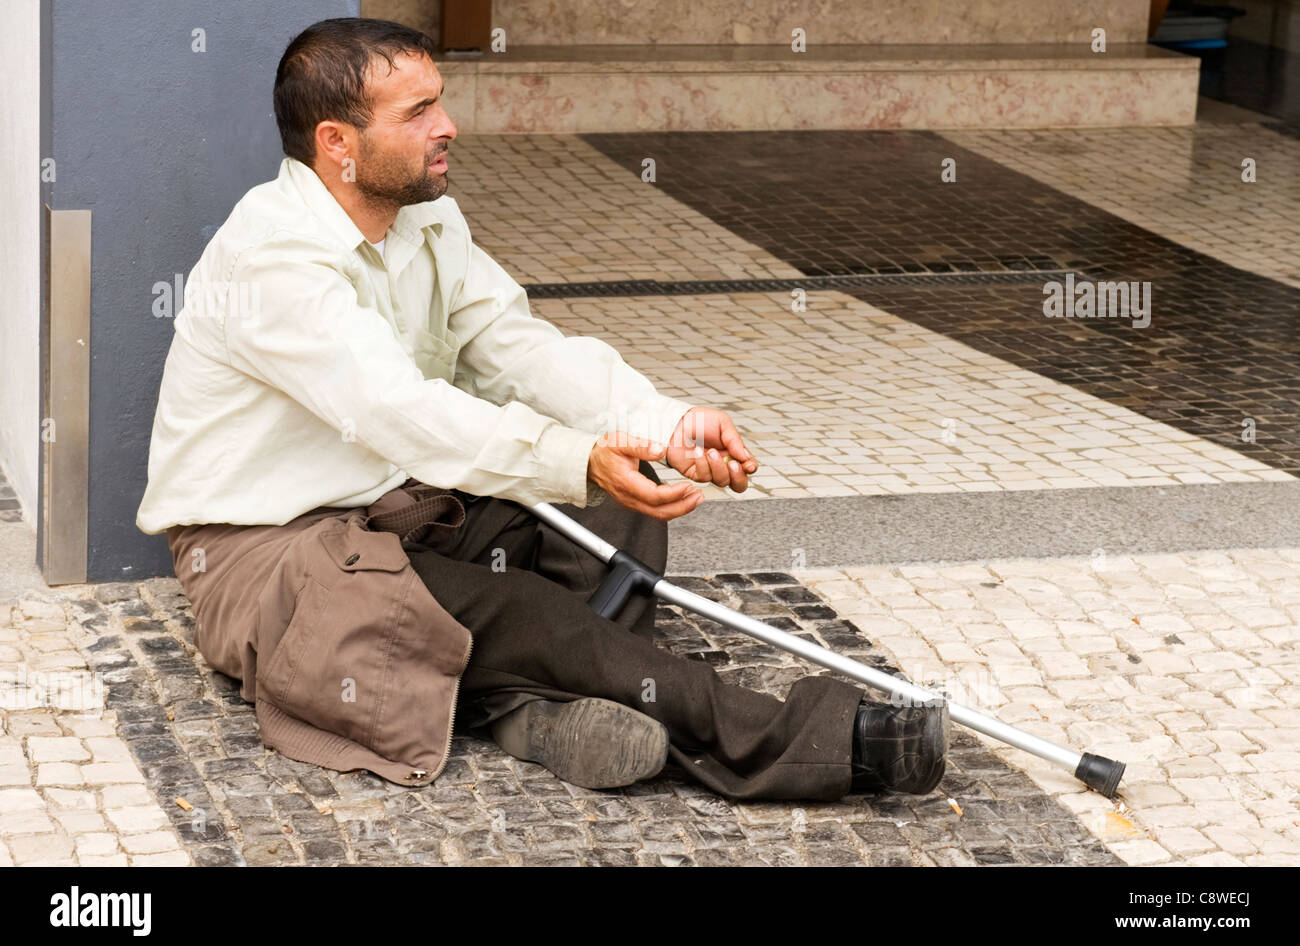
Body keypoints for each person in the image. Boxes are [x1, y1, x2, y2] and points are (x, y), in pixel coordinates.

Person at [136, 17, 949, 802]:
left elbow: (518, 347)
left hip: (405, 503)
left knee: (619, 492)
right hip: (277, 554)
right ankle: (824, 743)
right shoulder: (272, 257)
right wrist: (568, 459)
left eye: (440, 100)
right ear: (337, 144)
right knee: (528, 606)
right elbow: (397, 411)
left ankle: (535, 705)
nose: (447, 125)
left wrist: (663, 423)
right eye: (417, 112)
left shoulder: (425, 217)